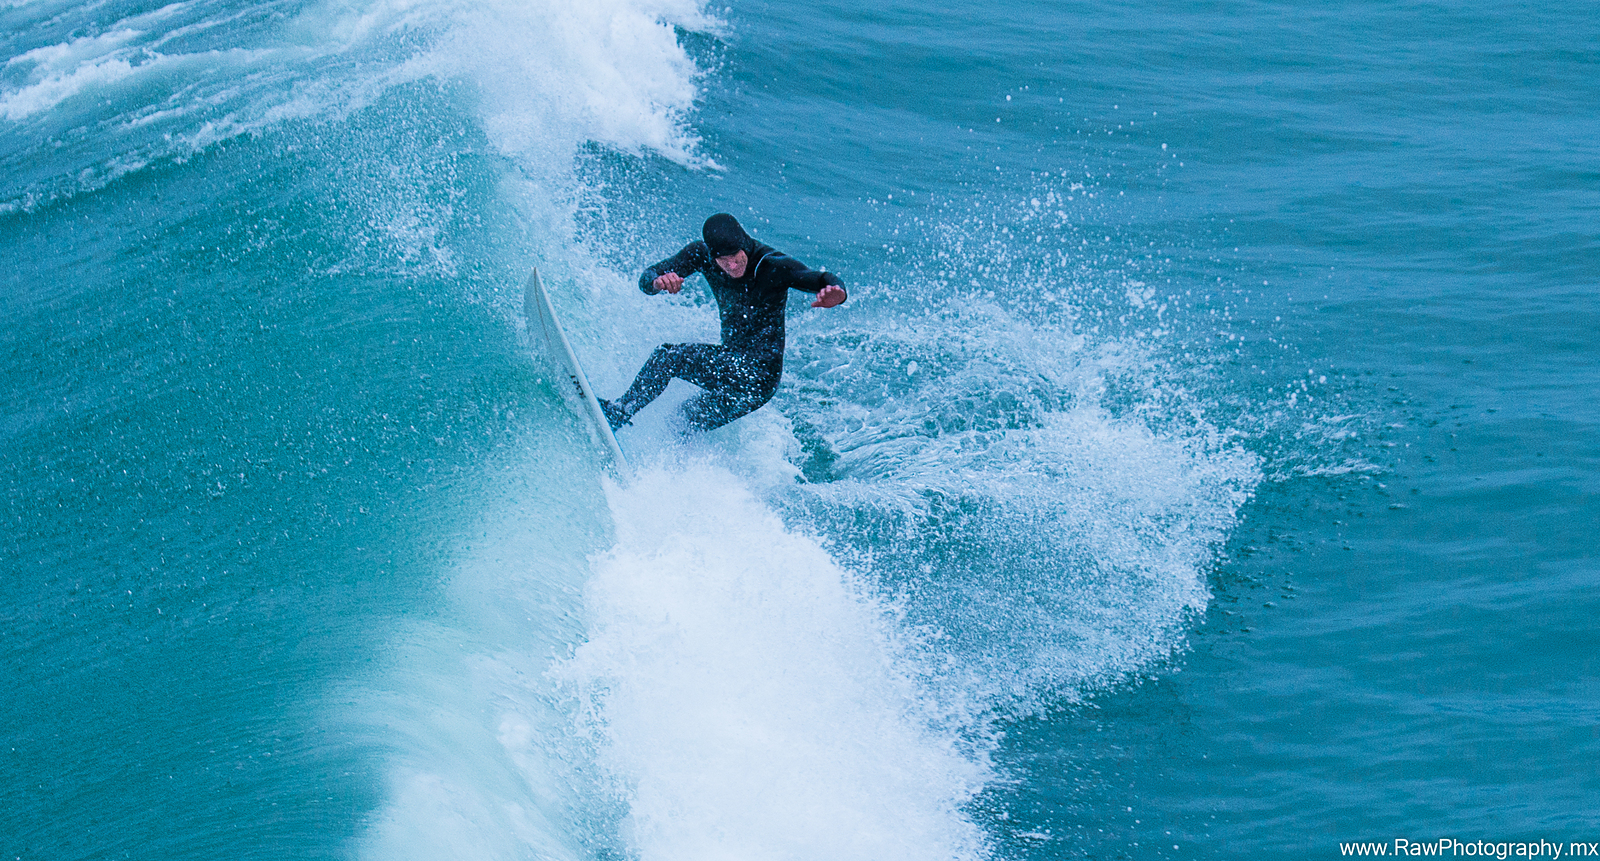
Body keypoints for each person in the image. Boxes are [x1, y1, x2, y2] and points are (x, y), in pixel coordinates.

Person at [599, 213, 847, 432]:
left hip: (758, 377)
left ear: (744, 244)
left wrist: (836, 294)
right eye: (723, 260)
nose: (731, 265)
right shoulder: (700, 255)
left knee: (668, 357)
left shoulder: (773, 265)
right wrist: (657, 283)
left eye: (736, 256)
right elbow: (648, 277)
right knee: (681, 423)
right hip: (733, 368)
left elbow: (822, 278)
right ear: (711, 254)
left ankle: (619, 412)